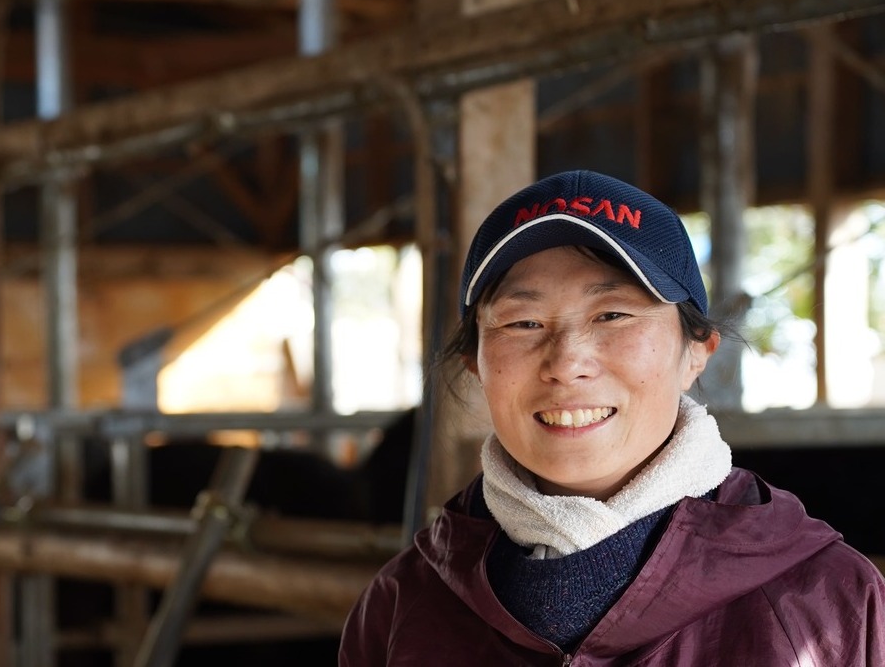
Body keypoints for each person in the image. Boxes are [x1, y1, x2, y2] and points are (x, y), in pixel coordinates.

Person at [339, 170, 885, 664]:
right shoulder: (400, 606)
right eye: (523, 323)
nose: (567, 363)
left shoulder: (832, 603)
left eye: (614, 314)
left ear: (697, 352)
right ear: (476, 365)